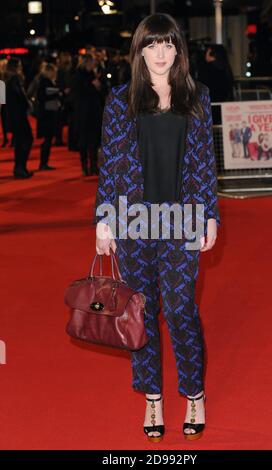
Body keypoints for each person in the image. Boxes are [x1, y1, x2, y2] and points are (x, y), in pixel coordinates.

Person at [93, 13, 220, 443]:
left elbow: (204, 166)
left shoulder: (197, 97)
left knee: (182, 310)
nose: (161, 53)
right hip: (132, 221)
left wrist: (211, 216)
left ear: (178, 50)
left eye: (168, 44)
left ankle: (194, 393)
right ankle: (152, 397)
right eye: (152, 45)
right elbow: (109, 166)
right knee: (141, 313)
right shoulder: (120, 99)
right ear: (140, 51)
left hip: (182, 220)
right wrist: (103, 222)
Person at [4, 57, 34, 179]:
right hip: (18, 115)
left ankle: (20, 168)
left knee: (20, 141)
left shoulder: (7, 78)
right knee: (26, 140)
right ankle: (20, 167)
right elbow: (19, 96)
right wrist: (27, 104)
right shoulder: (15, 78)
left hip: (13, 114)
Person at [36, 63, 61, 170]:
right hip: (47, 115)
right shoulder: (44, 81)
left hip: (49, 113)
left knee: (48, 139)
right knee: (47, 139)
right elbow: (42, 95)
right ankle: (43, 163)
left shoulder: (46, 81)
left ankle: (44, 163)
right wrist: (58, 93)